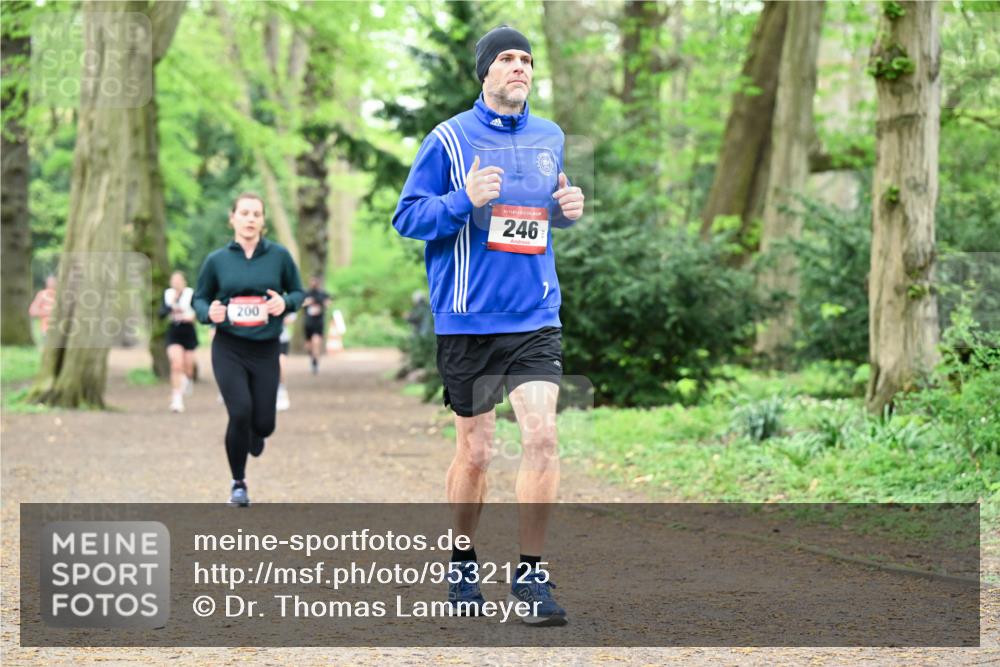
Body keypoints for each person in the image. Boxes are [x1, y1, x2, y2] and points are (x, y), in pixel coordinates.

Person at [392, 25, 585, 626]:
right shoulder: (449, 139)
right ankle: (462, 560)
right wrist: (462, 199)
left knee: (543, 437)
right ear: (485, 71)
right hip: (468, 321)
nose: (519, 66)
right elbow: (407, 217)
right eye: (506, 58)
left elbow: (539, 215)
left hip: (535, 316)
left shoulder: (550, 137)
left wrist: (565, 212)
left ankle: (530, 576)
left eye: (526, 58)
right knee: (476, 453)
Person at [193, 192, 304, 507]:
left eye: (256, 214)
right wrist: (208, 312)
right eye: (244, 213)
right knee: (240, 411)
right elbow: (199, 298)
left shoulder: (279, 256)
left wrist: (286, 302)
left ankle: (256, 433)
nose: (250, 219)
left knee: (264, 424)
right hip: (229, 347)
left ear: (263, 221)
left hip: (266, 348)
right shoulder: (217, 260)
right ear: (232, 219)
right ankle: (238, 483)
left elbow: (298, 292)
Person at [160, 271, 199, 413]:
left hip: (188, 332)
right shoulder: (168, 295)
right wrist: (171, 305)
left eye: (178, 281)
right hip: (174, 332)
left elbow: (199, 311)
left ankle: (188, 379)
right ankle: (177, 400)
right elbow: (161, 313)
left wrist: (192, 317)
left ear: (184, 282)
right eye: (173, 281)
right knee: (176, 364)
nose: (176, 283)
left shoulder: (191, 294)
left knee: (188, 368)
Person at [301, 275, 331, 374]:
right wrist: (307, 303)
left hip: (318, 322)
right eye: (312, 281)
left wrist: (322, 303)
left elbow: (328, 303)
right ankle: (312, 358)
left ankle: (315, 363)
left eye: (315, 281)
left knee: (316, 342)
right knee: (309, 345)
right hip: (308, 322)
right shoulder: (306, 293)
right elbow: (301, 304)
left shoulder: (323, 294)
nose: (314, 283)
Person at [276, 311, 295, 411]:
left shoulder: (285, 302)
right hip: (261, 340)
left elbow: (291, 318)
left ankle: (281, 389)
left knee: (281, 363)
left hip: (281, 339)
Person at [28, 275, 57, 342]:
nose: (52, 283)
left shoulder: (62, 294)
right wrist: (49, 312)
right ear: (46, 283)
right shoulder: (42, 294)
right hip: (46, 329)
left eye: (53, 281)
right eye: (50, 282)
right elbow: (32, 311)